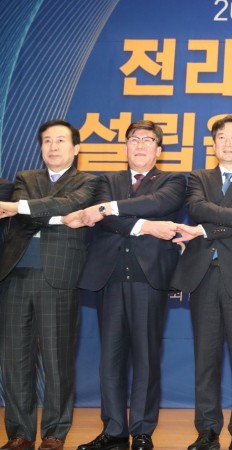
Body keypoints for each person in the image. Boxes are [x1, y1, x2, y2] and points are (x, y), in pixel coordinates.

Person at [74, 120, 186, 450]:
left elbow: (159, 204)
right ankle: (113, 430)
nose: (139, 145)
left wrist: (110, 209)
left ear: (158, 150)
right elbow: (107, 221)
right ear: (125, 147)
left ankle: (142, 430)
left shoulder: (172, 181)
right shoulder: (105, 181)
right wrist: (147, 227)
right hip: (109, 277)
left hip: (148, 279)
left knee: (146, 357)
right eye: (134, 139)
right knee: (110, 357)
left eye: (147, 140)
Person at [171, 115, 232, 450]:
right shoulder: (198, 177)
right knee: (206, 358)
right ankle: (207, 430)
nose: (227, 143)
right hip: (203, 276)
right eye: (221, 137)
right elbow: (198, 208)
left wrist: (204, 229)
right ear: (213, 144)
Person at [0, 120, 97, 450]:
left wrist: (23, 209)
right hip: (15, 275)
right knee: (15, 358)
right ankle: (20, 432)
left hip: (58, 277)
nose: (53, 147)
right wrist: (54, 216)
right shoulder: (26, 178)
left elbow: (72, 204)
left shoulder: (88, 181)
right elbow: (33, 214)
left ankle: (55, 431)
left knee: (57, 359)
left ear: (76, 148)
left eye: (60, 140)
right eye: (47, 141)